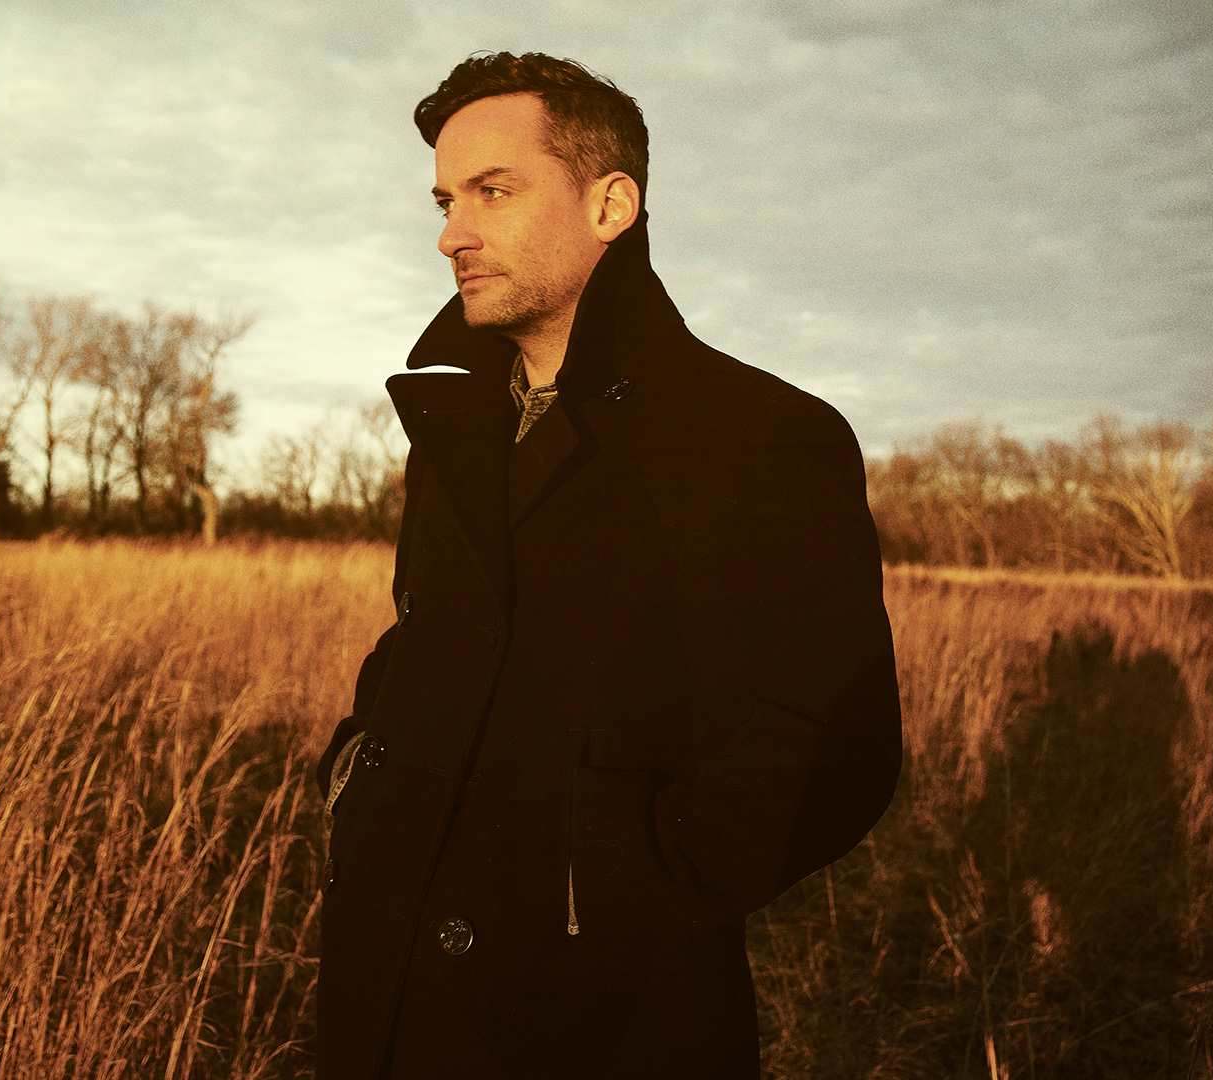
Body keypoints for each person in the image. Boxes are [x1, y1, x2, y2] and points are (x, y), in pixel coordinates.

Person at [315, 51, 901, 1080]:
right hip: (391, 997)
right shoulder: (456, 429)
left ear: (610, 205)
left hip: (601, 1021)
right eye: (446, 201)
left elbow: (827, 749)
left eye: (493, 191)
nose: (452, 234)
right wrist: (354, 780)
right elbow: (426, 641)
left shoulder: (760, 434)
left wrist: (604, 890)